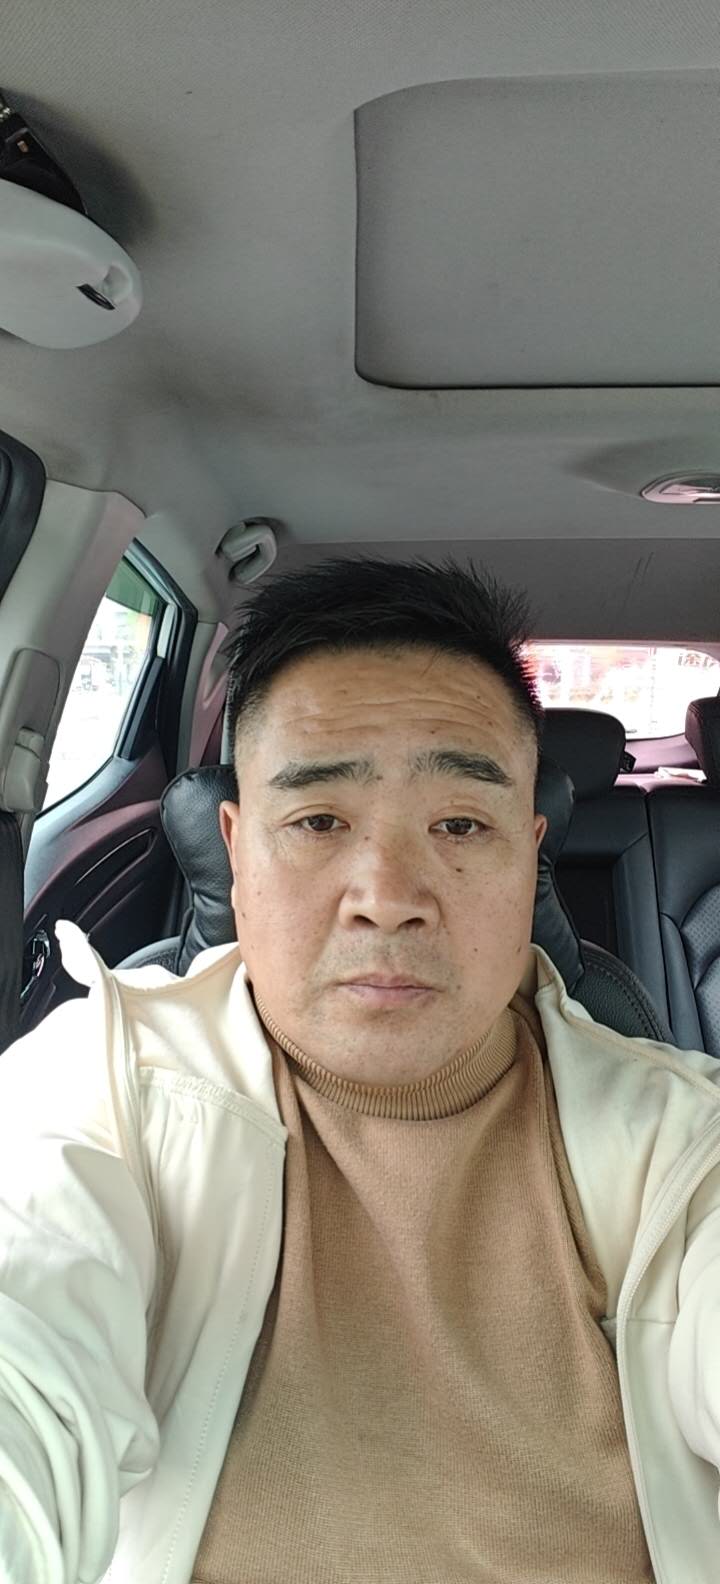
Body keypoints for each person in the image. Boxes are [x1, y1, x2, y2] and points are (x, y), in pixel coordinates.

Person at [0, 555, 719, 1584]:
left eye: (461, 824)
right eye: (319, 821)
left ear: (531, 854)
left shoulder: (684, 1148)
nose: (387, 897)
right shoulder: (96, 1095)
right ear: (236, 852)